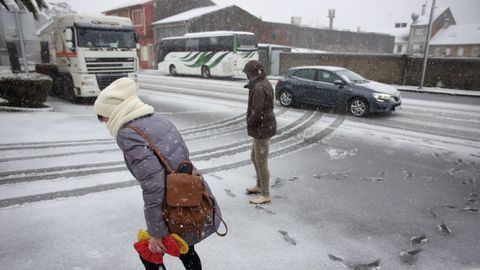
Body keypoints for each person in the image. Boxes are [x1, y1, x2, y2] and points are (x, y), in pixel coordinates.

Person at [93, 77, 221, 270]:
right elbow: (182, 157)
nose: (104, 123)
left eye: (103, 117)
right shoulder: (159, 120)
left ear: (113, 112)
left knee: (149, 252)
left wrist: (156, 232)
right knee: (187, 248)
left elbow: (153, 184)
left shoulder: (128, 133)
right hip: (189, 195)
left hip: (171, 205)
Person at [242, 60, 277, 204]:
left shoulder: (258, 88)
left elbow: (257, 112)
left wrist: (249, 122)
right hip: (264, 127)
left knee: (261, 161)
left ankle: (265, 194)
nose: (246, 77)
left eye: (247, 74)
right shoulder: (263, 83)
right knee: (254, 157)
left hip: (262, 129)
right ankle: (259, 185)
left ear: (252, 73)